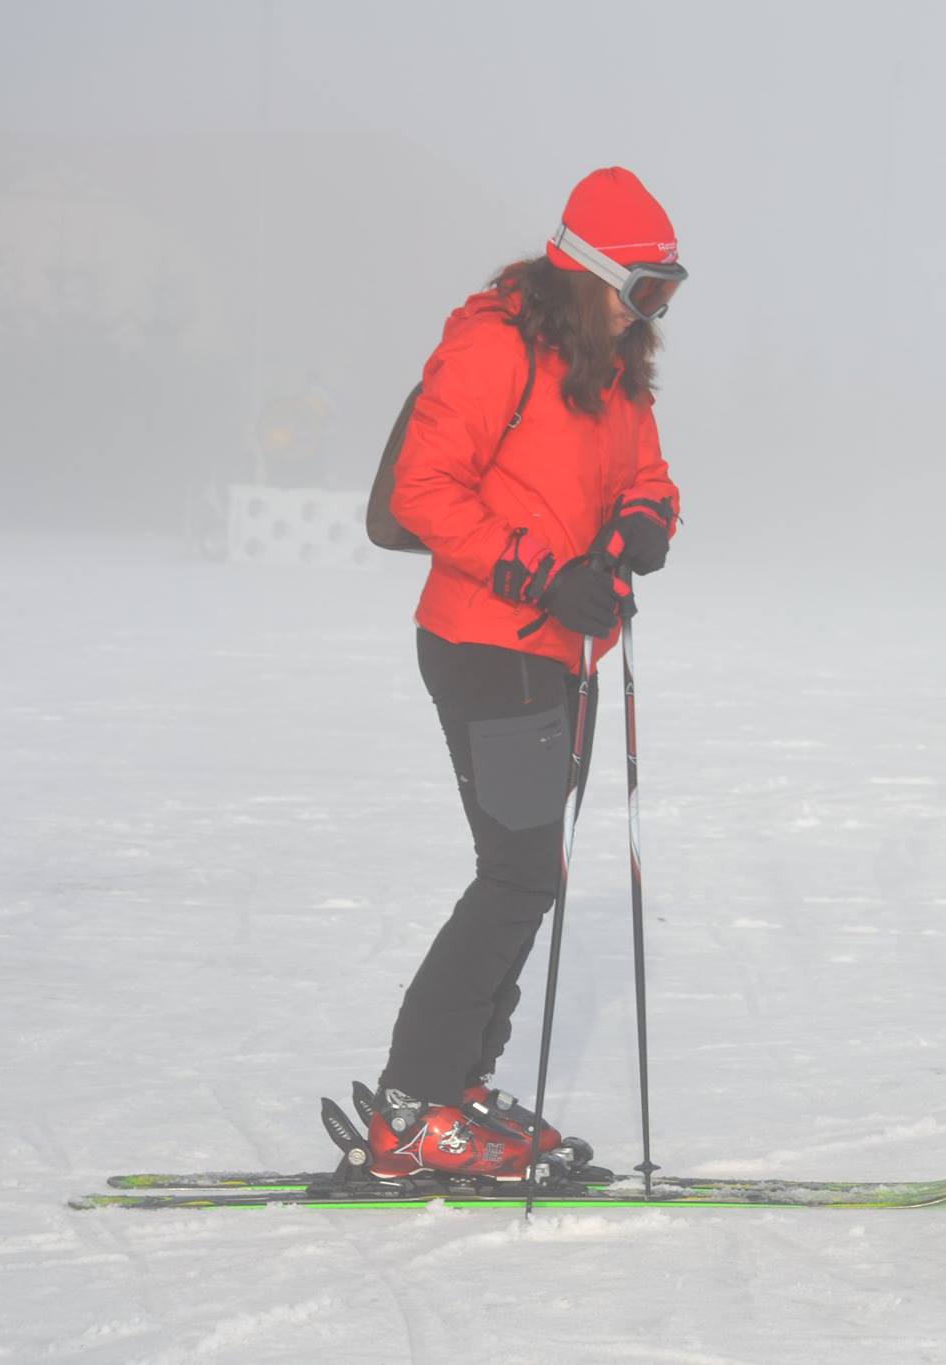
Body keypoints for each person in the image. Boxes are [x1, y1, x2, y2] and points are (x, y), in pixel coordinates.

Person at [364, 166, 687, 1180]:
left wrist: (639, 525)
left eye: (667, 293)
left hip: (559, 650)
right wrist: (542, 576)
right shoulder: (495, 346)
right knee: (514, 874)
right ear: (585, 272)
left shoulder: (612, 366)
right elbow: (423, 492)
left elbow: (647, 474)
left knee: (529, 873)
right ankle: (416, 1108)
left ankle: (456, 1089)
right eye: (645, 289)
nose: (654, 312)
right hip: (483, 643)